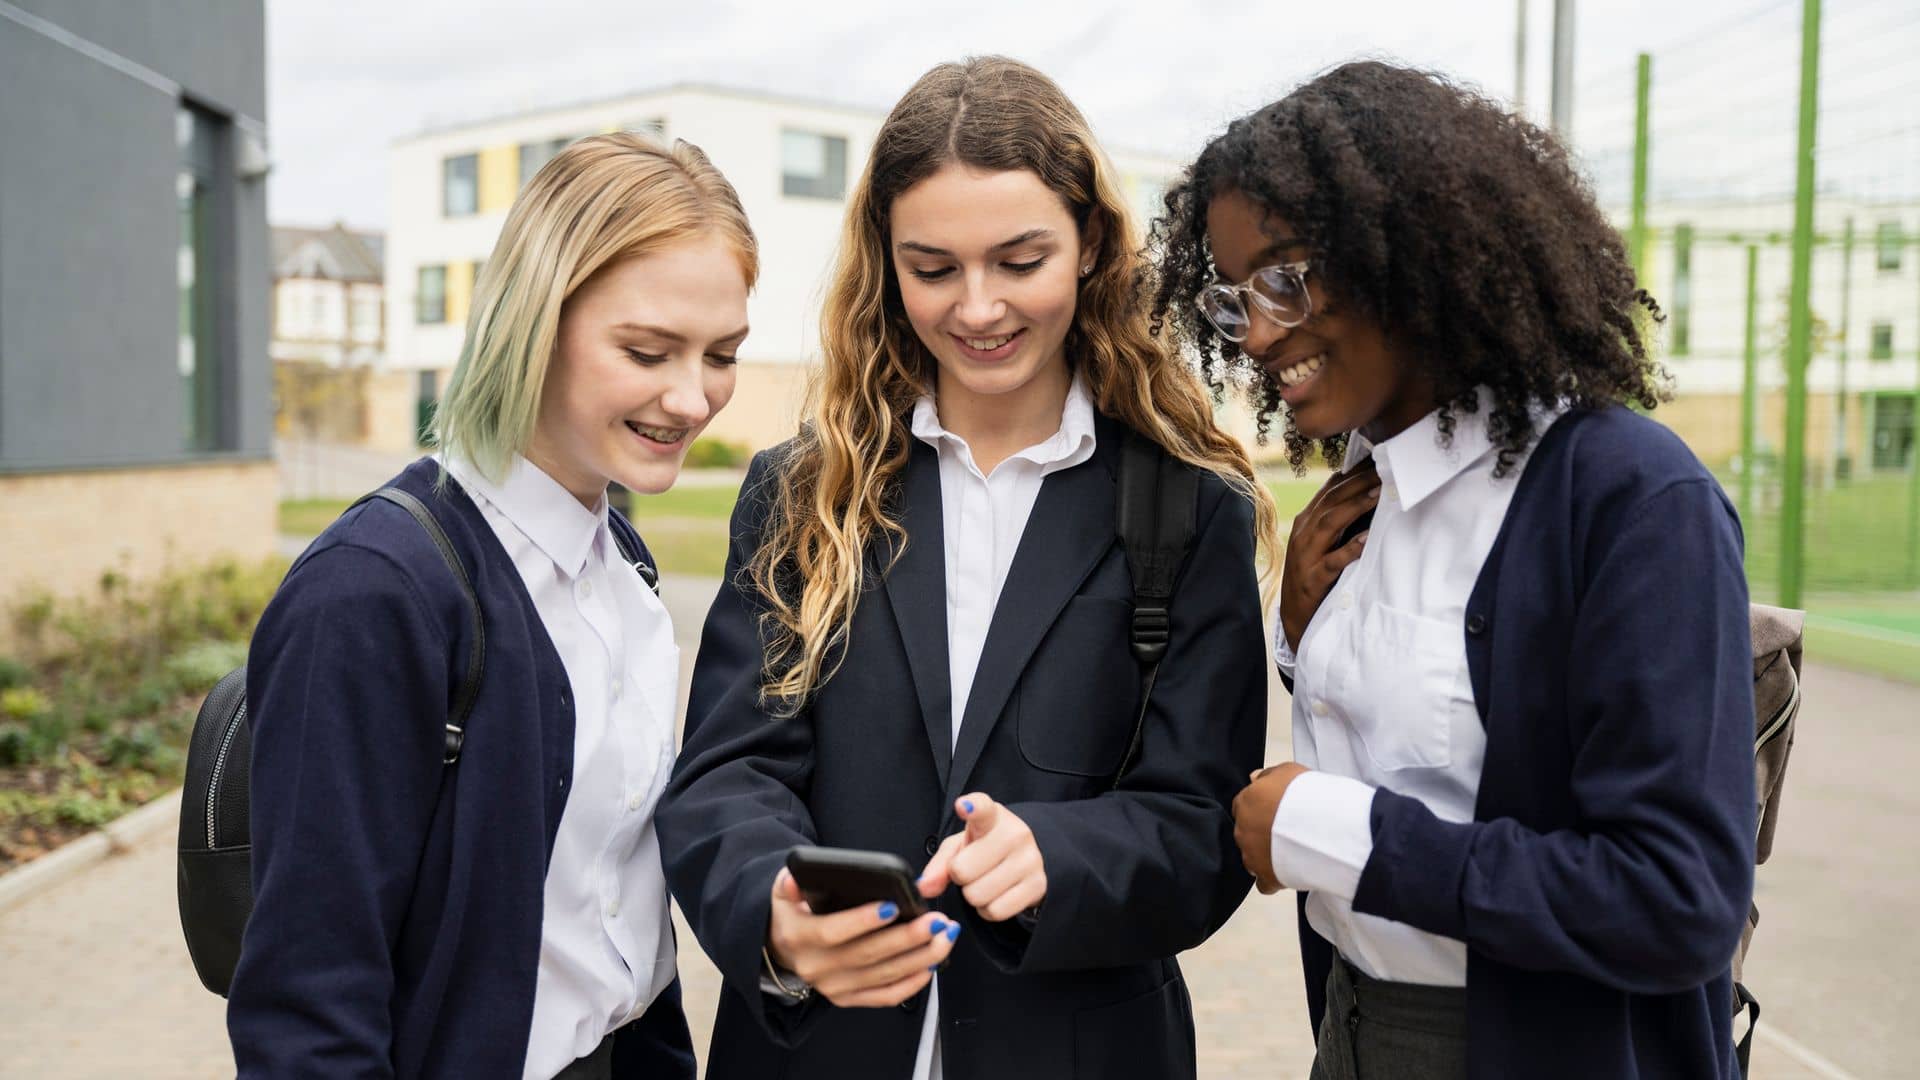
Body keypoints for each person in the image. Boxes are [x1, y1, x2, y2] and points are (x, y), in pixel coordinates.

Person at [655, 56, 1279, 1080]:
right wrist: (772, 906)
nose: (978, 308)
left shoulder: (1188, 507)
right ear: (886, 265)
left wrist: (1061, 859)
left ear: (1089, 247)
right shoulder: (800, 490)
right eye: (934, 268)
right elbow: (729, 773)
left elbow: (1206, 828)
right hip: (816, 1052)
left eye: (1019, 260)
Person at [1150, 61, 1757, 1079]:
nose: (1257, 335)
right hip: (1350, 1027)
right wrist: (1302, 641)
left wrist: (1338, 834)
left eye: (1287, 280)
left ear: (1413, 251)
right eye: (1231, 300)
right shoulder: (1364, 491)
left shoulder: (1627, 498)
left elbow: (1675, 899)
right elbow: (1437, 724)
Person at [228, 133, 758, 1079]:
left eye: (722, 354)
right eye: (647, 350)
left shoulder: (621, 567)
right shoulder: (372, 593)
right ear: (533, 321)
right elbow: (308, 1008)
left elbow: (613, 911)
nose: (692, 396)